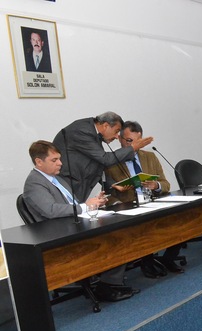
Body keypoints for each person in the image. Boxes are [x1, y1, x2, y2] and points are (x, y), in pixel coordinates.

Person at [22, 141, 138, 302]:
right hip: (59, 232)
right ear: (39, 162)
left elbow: (73, 204)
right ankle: (108, 286)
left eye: (59, 159)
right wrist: (85, 207)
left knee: (119, 229)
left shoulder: (57, 179)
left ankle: (111, 283)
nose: (60, 163)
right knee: (115, 238)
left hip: (74, 224)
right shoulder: (34, 182)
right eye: (54, 160)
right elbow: (51, 210)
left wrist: (94, 203)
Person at [104, 121, 185, 276]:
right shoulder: (110, 162)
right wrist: (119, 203)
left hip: (152, 202)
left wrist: (156, 185)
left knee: (181, 218)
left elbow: (165, 184)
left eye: (138, 141)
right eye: (129, 141)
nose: (134, 145)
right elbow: (107, 193)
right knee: (142, 225)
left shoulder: (150, 157)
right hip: (128, 206)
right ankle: (147, 262)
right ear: (120, 139)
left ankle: (168, 258)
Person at [53, 112, 153, 202]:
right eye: (116, 131)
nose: (116, 136)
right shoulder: (83, 131)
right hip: (66, 185)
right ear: (106, 126)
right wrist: (133, 147)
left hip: (75, 186)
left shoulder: (92, 132)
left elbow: (97, 164)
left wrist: (113, 184)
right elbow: (105, 159)